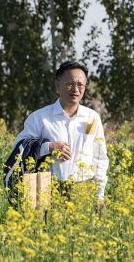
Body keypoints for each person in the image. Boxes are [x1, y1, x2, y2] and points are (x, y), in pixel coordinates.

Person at [14, 61, 109, 205]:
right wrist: (49, 147)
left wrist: (99, 194)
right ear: (57, 86)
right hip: (43, 188)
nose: (75, 89)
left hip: (83, 190)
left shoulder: (92, 117)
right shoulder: (39, 118)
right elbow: (18, 149)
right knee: (43, 227)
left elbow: (100, 157)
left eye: (80, 85)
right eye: (70, 84)